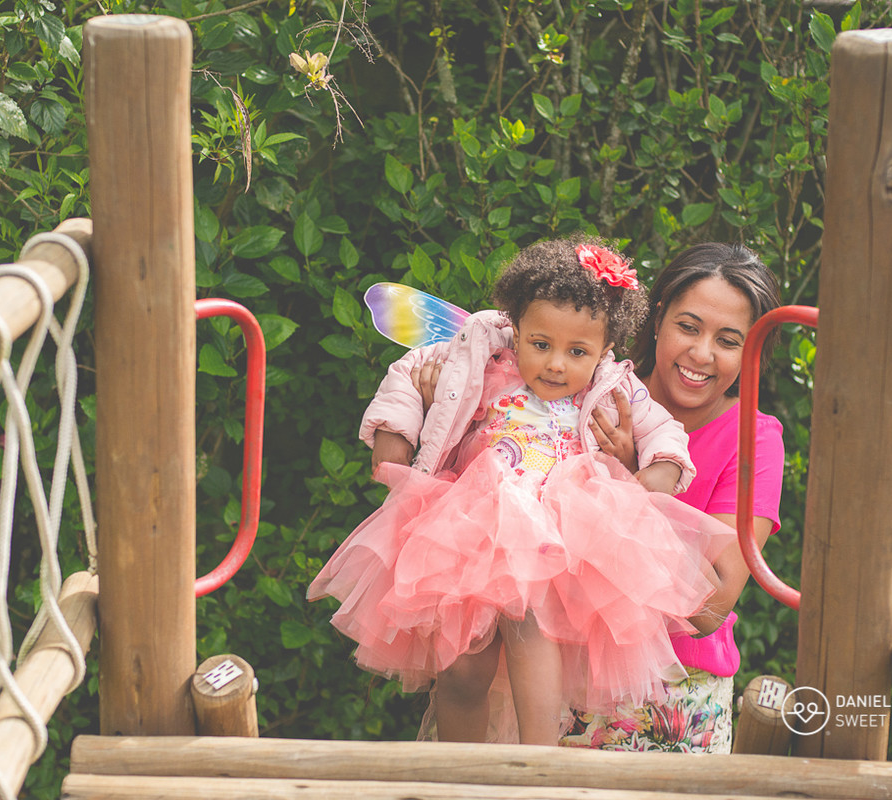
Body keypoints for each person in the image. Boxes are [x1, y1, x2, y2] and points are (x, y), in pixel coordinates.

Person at [308, 237, 736, 746]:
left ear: (604, 350)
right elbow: (405, 372)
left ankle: (540, 761)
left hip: (559, 533)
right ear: (517, 327)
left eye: (576, 351)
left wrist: (661, 470)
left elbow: (663, 430)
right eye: (541, 344)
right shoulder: (481, 355)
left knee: (532, 634)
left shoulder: (612, 383)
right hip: (470, 524)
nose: (556, 364)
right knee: (464, 662)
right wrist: (393, 437)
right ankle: (462, 767)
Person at [559, 241, 784, 753]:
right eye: (688, 327)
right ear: (658, 319)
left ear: (751, 352)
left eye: (728, 340)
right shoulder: (586, 389)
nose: (702, 354)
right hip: (545, 677)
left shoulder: (754, 438)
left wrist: (637, 480)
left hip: (672, 699)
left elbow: (709, 606)